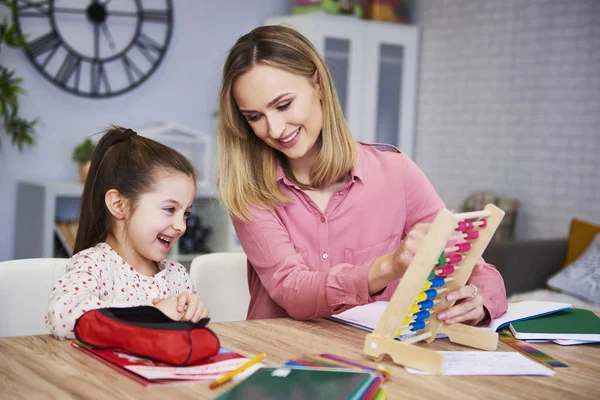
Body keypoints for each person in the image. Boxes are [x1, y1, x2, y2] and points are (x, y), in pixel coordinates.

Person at [216, 25, 508, 326]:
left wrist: (479, 299)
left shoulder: (396, 173)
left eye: (283, 105)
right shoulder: (249, 193)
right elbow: (293, 291)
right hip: (282, 360)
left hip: (376, 358)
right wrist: (389, 266)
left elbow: (474, 267)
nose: (274, 129)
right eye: (254, 117)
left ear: (318, 84)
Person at [46, 127, 209, 339]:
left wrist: (193, 312)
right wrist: (149, 316)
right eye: (170, 209)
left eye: (186, 213)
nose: (181, 226)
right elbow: (63, 317)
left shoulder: (176, 275)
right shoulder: (93, 265)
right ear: (119, 205)